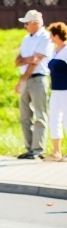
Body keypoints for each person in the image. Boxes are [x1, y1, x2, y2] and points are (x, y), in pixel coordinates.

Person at [15, 10, 53, 159]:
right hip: (25, 78)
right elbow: (18, 60)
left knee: (39, 115)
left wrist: (22, 79)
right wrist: (27, 59)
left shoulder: (45, 38)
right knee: (25, 115)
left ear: (35, 23)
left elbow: (35, 62)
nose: (25, 26)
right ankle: (29, 148)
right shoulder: (26, 39)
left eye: (27, 23)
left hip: (38, 78)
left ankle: (38, 150)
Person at [45, 22, 67, 161]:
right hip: (56, 90)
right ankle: (56, 151)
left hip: (66, 90)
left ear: (56, 35)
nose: (50, 38)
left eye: (51, 35)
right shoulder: (54, 51)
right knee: (54, 119)